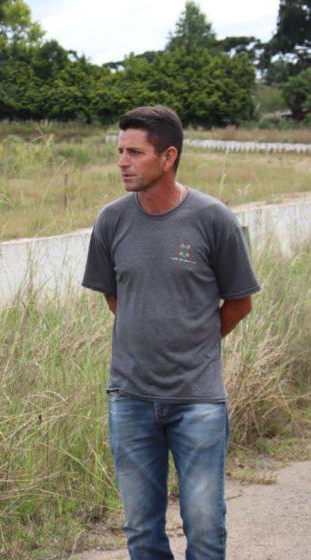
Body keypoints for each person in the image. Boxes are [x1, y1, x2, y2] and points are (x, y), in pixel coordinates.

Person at [82, 105, 260, 559]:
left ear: (168, 157)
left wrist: (194, 341)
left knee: (204, 527)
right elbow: (116, 298)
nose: (122, 161)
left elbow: (240, 301)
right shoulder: (111, 220)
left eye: (135, 152)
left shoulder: (213, 219)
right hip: (130, 398)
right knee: (141, 530)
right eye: (120, 151)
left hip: (198, 399)